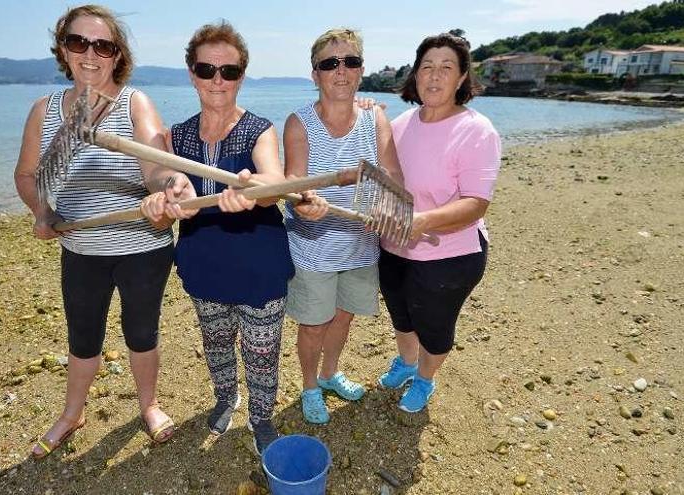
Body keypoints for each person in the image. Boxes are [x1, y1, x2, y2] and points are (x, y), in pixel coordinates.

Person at [13, 4, 196, 458]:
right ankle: (72, 413)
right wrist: (41, 210)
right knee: (83, 335)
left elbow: (156, 169)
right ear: (64, 50)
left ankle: (149, 405)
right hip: (81, 247)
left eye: (103, 46)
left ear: (118, 55)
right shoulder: (46, 110)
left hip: (141, 246)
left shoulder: (136, 104)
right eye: (79, 43)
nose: (90, 54)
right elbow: (26, 174)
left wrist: (169, 189)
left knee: (141, 331)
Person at [142, 21, 322, 455]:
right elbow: (164, 200)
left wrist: (254, 189)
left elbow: (274, 180)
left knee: (262, 352)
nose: (217, 80)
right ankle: (226, 397)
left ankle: (261, 417)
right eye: (207, 70)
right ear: (192, 74)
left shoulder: (260, 129)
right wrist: (164, 201)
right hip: (204, 266)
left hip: (259, 267)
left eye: (229, 71)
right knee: (216, 343)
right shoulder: (174, 137)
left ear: (242, 75)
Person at [282, 28, 403, 424]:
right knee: (314, 322)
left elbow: (393, 178)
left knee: (344, 315)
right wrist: (306, 206)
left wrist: (387, 206)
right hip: (314, 247)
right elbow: (294, 187)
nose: (341, 71)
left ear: (361, 70)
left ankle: (331, 373)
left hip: (361, 245)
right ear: (315, 73)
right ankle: (309, 386)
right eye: (330, 64)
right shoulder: (299, 124)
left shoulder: (375, 116)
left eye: (350, 62)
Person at [378, 33, 501, 413]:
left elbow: (476, 204)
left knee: (434, 324)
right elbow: (385, 181)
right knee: (401, 313)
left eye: (446, 68)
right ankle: (406, 362)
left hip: (451, 254)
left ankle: (425, 380)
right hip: (395, 246)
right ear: (415, 74)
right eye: (426, 67)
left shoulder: (477, 131)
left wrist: (425, 220)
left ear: (463, 77)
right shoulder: (399, 124)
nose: (434, 76)